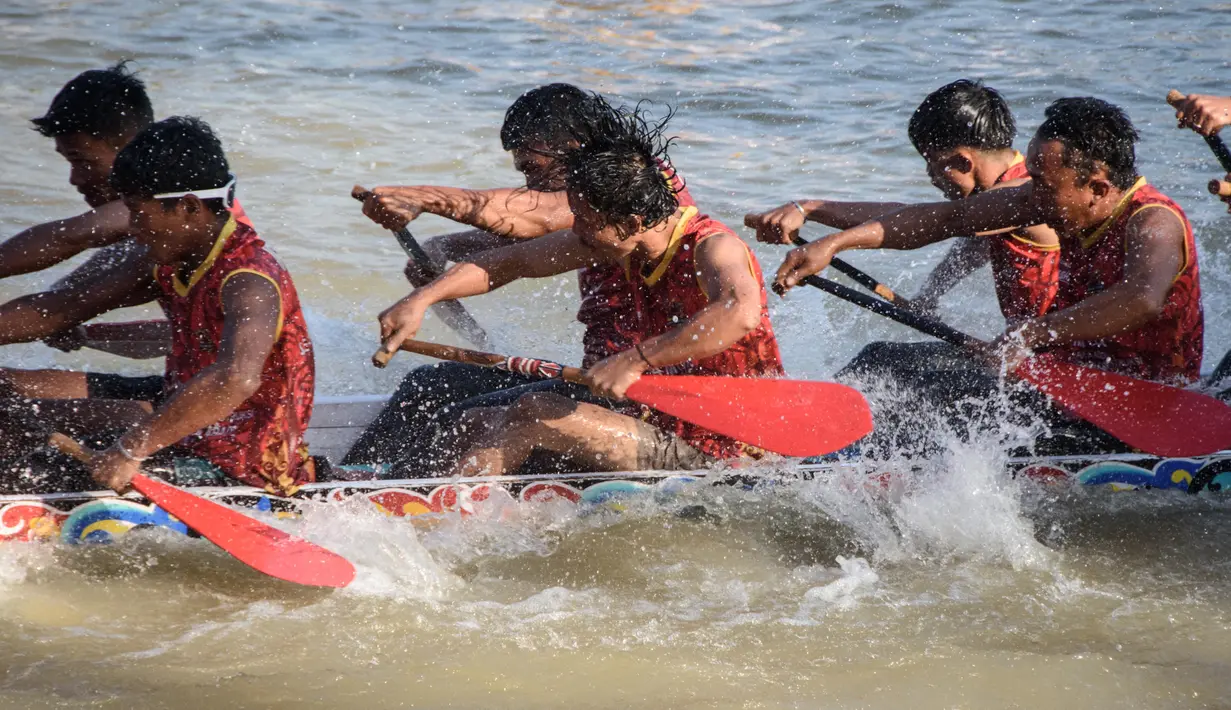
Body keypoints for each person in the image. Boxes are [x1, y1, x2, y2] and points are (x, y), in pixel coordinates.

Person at [375, 100, 783, 475]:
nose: (576, 234)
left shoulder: (714, 246)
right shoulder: (619, 240)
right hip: (640, 416)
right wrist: (421, 299)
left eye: (585, 223)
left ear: (632, 224)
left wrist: (637, 359)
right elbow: (511, 262)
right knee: (473, 420)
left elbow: (739, 311)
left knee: (535, 412)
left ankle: (449, 509)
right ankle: (396, 493)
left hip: (721, 445)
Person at [775, 97, 1202, 446]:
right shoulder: (1050, 201)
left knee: (926, 402)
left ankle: (828, 460)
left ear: (1098, 188)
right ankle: (803, 440)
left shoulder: (1153, 221)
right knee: (882, 360)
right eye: (1031, 177)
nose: (1030, 194)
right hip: (1058, 380)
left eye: (1045, 185)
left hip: (1141, 403)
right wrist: (833, 242)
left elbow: (1144, 298)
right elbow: (942, 220)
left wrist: (1030, 335)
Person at [343, 84, 696, 471]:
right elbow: (522, 246)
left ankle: (382, 491)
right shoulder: (594, 209)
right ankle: (351, 478)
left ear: (572, 147)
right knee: (429, 384)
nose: (530, 184)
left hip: (646, 401)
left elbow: (539, 215)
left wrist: (421, 198)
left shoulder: (636, 191)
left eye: (532, 168)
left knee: (463, 416)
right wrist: (443, 250)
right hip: (594, 381)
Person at [0, 117, 315, 496]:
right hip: (178, 421)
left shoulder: (251, 281)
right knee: (10, 410)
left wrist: (130, 448)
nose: (131, 227)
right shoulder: (168, 261)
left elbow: (236, 378)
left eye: (137, 211)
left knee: (26, 469)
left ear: (187, 207)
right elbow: (60, 308)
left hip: (243, 468)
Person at [745, 79, 1060, 323]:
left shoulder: (1028, 195)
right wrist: (929, 296)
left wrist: (827, 236)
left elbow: (930, 220)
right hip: (1036, 354)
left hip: (1061, 363)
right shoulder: (1005, 191)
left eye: (932, 163)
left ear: (963, 162)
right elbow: (968, 246)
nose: (930, 175)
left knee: (875, 365)